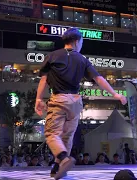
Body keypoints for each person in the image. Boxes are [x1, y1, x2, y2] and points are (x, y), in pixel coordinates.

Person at [35, 27, 127, 179]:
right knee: (67, 137)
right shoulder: (83, 60)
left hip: (59, 99)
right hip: (75, 102)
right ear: (77, 42)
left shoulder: (52, 56)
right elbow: (99, 79)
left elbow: (44, 79)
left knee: (52, 133)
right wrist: (115, 94)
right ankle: (56, 167)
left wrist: (38, 99)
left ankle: (64, 159)